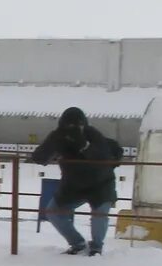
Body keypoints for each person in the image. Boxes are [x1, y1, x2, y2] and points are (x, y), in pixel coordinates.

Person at [30, 106, 123, 257]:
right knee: (53, 212)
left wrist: (85, 146)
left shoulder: (92, 134)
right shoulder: (59, 136)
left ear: (84, 124)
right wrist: (52, 143)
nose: (74, 129)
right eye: (70, 126)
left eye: (78, 125)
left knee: (99, 216)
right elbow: (39, 157)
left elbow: (102, 155)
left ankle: (97, 248)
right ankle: (77, 243)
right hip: (73, 186)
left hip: (101, 184)